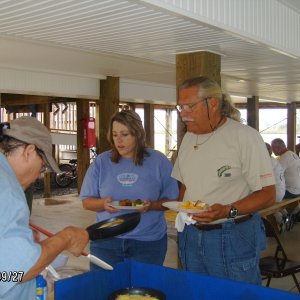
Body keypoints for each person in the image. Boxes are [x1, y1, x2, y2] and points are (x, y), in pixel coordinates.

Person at [172, 76, 275, 285]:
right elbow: (185, 186)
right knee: (197, 293)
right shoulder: (188, 138)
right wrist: (181, 212)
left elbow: (268, 194)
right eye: (180, 107)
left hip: (232, 234)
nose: (183, 114)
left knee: (236, 295)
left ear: (213, 103)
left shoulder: (245, 137)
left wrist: (228, 210)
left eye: (189, 106)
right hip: (191, 235)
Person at [0, 117, 89, 299]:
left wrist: (20, 240)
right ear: (29, 151)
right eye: (41, 168)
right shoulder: (8, 190)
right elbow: (20, 272)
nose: (36, 177)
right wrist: (66, 237)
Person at [80, 110, 178, 269]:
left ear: (138, 134)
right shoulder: (101, 162)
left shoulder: (159, 161)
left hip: (148, 242)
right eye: (115, 134)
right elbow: (87, 202)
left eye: (125, 134)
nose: (118, 140)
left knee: (143, 292)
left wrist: (151, 206)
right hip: (106, 241)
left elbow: (172, 201)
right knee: (103, 291)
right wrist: (103, 204)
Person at [271, 138, 300, 223]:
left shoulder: (283, 158)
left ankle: (280, 217)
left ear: (277, 148)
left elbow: (275, 176)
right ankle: (288, 213)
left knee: (268, 197)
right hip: (298, 190)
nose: (272, 152)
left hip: (291, 191)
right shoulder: (293, 154)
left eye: (273, 149)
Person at [265, 142, 288, 232]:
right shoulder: (273, 160)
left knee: (253, 201)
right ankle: (283, 212)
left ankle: (277, 216)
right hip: (281, 192)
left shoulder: (266, 162)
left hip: (276, 194)